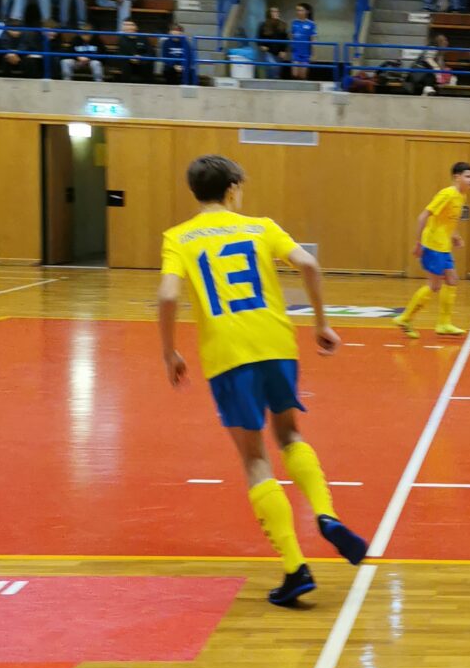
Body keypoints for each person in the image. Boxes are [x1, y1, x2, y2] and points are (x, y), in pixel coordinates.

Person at [158, 153, 369, 606]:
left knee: (255, 458)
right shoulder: (261, 227)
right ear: (233, 188)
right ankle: (327, 515)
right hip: (277, 343)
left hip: (228, 356)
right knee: (290, 433)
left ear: (195, 192)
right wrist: (321, 323)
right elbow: (309, 265)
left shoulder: (178, 238)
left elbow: (168, 295)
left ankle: (295, 568)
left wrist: (169, 350)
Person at [395, 159, 470, 340]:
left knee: (452, 280)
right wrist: (418, 243)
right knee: (434, 285)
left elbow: (447, 220)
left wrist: (454, 235)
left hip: (443, 246)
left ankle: (444, 324)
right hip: (432, 245)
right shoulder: (447, 194)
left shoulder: (462, 196)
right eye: (468, 176)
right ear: (457, 177)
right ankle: (405, 318)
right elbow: (423, 216)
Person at [288, 2, 315, 80]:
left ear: (306, 11)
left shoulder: (311, 24)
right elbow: (291, 36)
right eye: (297, 10)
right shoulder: (294, 22)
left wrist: (313, 54)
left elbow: (313, 40)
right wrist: (290, 48)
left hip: (306, 53)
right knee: (294, 74)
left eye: (300, 10)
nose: (298, 12)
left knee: (302, 75)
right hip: (296, 52)